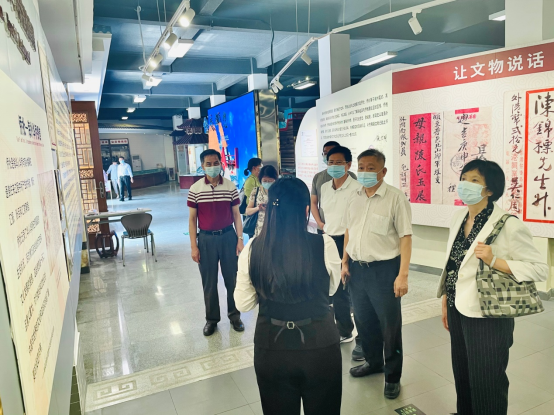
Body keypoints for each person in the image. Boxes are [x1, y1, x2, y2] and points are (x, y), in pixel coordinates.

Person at [438, 160, 548, 416]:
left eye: (474, 180)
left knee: (487, 381)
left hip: (489, 314)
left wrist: (494, 260)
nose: (465, 184)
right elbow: (453, 264)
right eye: (464, 178)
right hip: (457, 306)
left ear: (489, 190)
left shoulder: (509, 224)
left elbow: (539, 269)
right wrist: (445, 298)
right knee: (463, 374)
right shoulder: (458, 217)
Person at [235, 177, 343, 416]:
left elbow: (243, 303)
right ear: (306, 210)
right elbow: (332, 289)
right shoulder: (324, 244)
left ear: (269, 209)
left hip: (272, 347)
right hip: (320, 345)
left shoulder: (253, 248)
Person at [342, 149, 413, 400]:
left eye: (371, 168)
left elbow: (405, 237)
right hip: (357, 270)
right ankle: (373, 363)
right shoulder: (354, 197)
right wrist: (344, 262)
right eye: (361, 167)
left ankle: (392, 376)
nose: (364, 172)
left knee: (389, 326)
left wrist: (403, 275)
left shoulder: (395, 198)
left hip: (385, 271)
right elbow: (349, 231)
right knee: (364, 321)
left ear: (383, 171)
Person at [310, 141, 361, 361]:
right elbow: (322, 211)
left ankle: (349, 332)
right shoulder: (324, 187)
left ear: (348, 164)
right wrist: (322, 227)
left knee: (349, 289)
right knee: (331, 287)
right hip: (328, 240)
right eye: (330, 162)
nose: (334, 166)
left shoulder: (357, 188)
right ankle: (341, 329)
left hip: (348, 241)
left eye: (339, 162)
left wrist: (346, 255)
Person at [188, 149, 246, 337]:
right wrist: (194, 246)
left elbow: (236, 215)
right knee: (209, 282)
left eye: (216, 163)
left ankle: (235, 316)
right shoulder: (195, 189)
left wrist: (239, 239)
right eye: (208, 164)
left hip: (228, 236)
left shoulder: (230, 186)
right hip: (205, 239)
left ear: (221, 163)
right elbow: (192, 220)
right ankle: (211, 320)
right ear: (202, 166)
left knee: (232, 279)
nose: (213, 167)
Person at [245, 165, 278, 237]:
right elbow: (248, 211)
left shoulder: (279, 192)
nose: (267, 183)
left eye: (270, 181)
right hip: (259, 229)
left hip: (276, 229)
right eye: (264, 181)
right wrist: (258, 208)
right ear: (260, 180)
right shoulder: (256, 191)